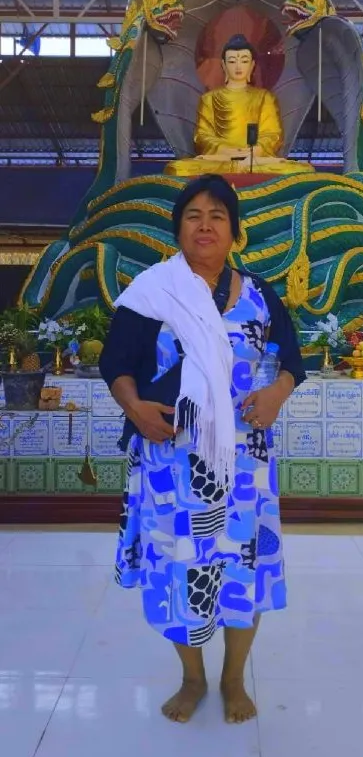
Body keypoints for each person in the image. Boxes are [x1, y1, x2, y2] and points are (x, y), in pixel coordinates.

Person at [99, 173, 306, 725]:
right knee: (179, 567)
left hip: (244, 466)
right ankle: (192, 678)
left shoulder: (260, 294)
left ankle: (233, 679)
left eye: (217, 215)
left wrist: (277, 394)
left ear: (234, 231)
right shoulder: (151, 292)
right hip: (172, 462)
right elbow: (115, 364)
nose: (205, 224)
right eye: (193, 215)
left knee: (241, 568)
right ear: (178, 230)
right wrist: (135, 408)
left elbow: (294, 361)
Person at [165, 33, 314, 177]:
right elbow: (202, 137)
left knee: (302, 169)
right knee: (176, 168)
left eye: (244, 61)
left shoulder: (264, 97)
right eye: (232, 61)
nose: (238, 66)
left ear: (252, 65)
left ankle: (243, 165)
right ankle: (240, 166)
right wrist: (228, 152)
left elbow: (273, 135)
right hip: (222, 159)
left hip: (255, 159)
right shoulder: (209, 99)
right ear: (223, 65)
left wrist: (253, 152)